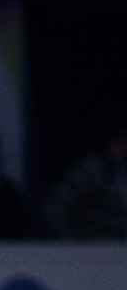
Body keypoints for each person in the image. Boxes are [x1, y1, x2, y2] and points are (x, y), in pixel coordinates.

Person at [41, 100, 127, 240]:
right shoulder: (93, 169)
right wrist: (71, 241)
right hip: (94, 249)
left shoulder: (121, 169)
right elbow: (54, 206)